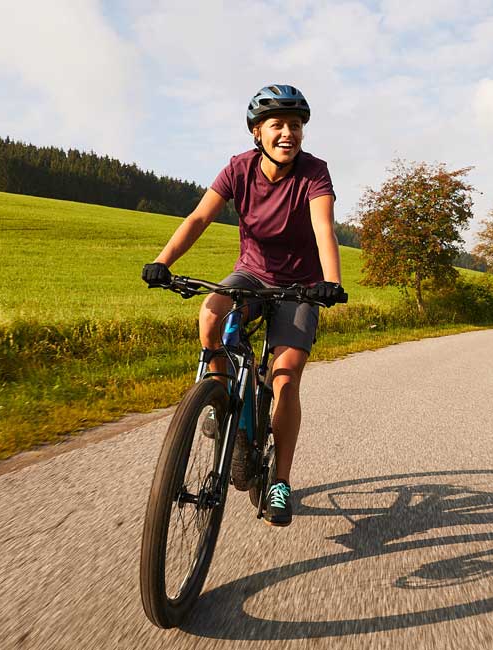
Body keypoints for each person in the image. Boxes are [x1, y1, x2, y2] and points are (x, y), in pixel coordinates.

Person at [141, 84, 346, 527]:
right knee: (210, 316)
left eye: (296, 126)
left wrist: (330, 282)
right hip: (251, 274)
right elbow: (198, 217)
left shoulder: (314, 173)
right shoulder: (239, 169)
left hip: (300, 286)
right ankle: (219, 401)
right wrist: (162, 261)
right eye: (278, 125)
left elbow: (323, 227)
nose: (288, 133)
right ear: (257, 132)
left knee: (285, 379)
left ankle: (280, 482)